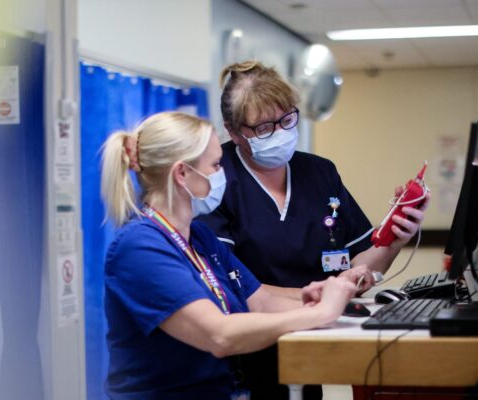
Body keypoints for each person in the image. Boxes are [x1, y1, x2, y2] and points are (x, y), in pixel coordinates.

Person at [197, 60, 431, 398]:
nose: (279, 133)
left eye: (287, 119)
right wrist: (326, 299)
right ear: (233, 132)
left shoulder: (319, 173)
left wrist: (396, 236)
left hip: (311, 346)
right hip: (245, 359)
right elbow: (230, 288)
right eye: (263, 128)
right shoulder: (218, 181)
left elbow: (358, 269)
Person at [100, 111, 358, 399]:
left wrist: (316, 294)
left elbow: (260, 301)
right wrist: (322, 313)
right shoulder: (139, 247)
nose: (223, 174)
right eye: (215, 165)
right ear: (182, 174)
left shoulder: (200, 237)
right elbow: (219, 335)